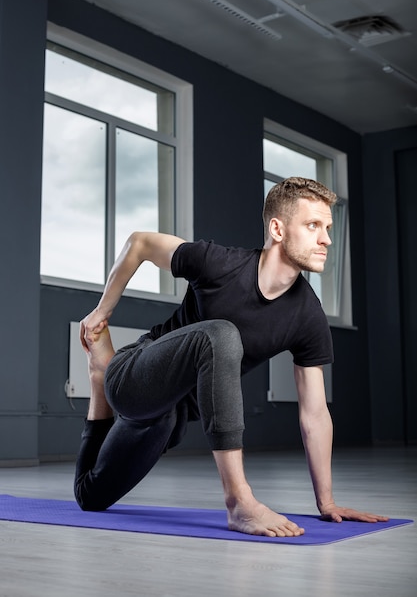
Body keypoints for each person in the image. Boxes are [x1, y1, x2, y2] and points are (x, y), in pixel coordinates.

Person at [76, 176, 388, 537]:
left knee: (91, 497)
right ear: (278, 229)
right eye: (314, 225)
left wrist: (327, 502)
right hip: (134, 377)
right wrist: (102, 311)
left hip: (165, 420)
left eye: (328, 228)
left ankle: (99, 376)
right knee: (220, 334)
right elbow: (140, 243)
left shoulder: (308, 316)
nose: (326, 240)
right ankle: (239, 500)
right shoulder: (219, 264)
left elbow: (315, 413)